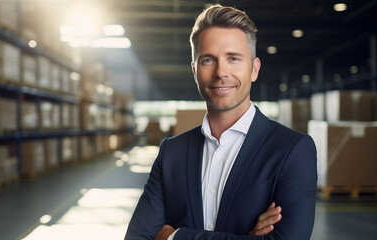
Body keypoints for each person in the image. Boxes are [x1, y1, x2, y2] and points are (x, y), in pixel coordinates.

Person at [125, 4, 317, 240]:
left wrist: (173, 236)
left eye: (233, 58)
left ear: (254, 69)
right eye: (208, 60)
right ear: (195, 71)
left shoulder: (292, 150)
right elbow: (138, 236)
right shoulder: (171, 152)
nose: (221, 72)